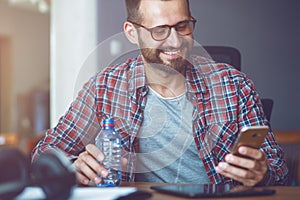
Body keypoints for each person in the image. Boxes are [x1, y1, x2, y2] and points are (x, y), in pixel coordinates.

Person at [32, 0, 288, 187]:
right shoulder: (104, 87)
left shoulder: (234, 84)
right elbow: (45, 155)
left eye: (182, 26)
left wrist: (261, 172)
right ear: (132, 33)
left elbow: (280, 170)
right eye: (159, 31)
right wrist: (71, 166)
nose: (175, 42)